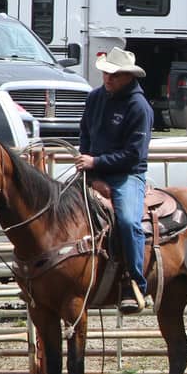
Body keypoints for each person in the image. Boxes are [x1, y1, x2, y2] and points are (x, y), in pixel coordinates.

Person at [76, 47, 154, 315]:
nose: (108, 78)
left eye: (114, 74)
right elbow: (85, 133)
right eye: (106, 73)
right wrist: (92, 170)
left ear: (128, 77)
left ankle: (136, 282)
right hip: (94, 169)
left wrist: (95, 163)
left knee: (128, 221)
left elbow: (134, 155)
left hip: (127, 174)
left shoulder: (139, 107)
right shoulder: (96, 98)